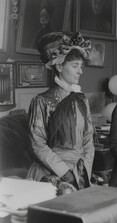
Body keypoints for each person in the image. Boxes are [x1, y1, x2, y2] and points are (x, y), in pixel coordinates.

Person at [27, 31, 95, 191]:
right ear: (59, 66)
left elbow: (88, 140)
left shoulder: (81, 99)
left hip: (79, 171)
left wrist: (83, 171)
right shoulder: (41, 101)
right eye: (74, 66)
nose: (80, 71)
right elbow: (38, 145)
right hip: (51, 170)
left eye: (81, 66)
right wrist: (65, 172)